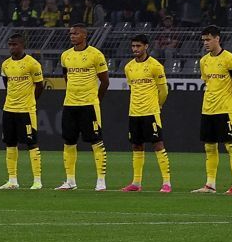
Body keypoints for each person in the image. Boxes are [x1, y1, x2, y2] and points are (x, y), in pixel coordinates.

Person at [57, 23, 109, 192]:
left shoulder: (95, 55)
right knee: (69, 141)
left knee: (96, 141)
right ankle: (70, 181)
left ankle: (101, 180)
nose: (72, 36)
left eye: (76, 33)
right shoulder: (65, 55)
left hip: (89, 104)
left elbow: (105, 81)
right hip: (70, 104)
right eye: (71, 33)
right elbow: (66, 76)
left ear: (84, 36)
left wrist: (96, 99)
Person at [194, 25, 232, 195]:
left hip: (225, 109)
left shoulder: (229, 59)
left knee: (231, 145)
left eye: (208, 39)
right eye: (204, 40)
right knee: (209, 147)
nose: (206, 43)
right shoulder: (204, 61)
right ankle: (210, 184)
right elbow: (207, 83)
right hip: (207, 109)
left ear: (217, 39)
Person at [121, 34, 172, 193]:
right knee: (136, 145)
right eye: (133, 46)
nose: (135, 49)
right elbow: (132, 88)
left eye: (138, 46)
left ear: (146, 47)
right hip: (134, 112)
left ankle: (166, 183)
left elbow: (163, 90)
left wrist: (158, 105)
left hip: (151, 111)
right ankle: (136, 183)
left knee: (157, 144)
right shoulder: (128, 67)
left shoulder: (155, 66)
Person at [0, 33, 44, 189]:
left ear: (22, 45)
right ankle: (12, 180)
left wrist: (30, 101)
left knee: (32, 143)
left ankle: (37, 180)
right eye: (10, 44)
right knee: (10, 143)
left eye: (15, 44)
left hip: (26, 110)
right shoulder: (5, 65)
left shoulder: (32, 64)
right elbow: (7, 83)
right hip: (9, 109)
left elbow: (40, 86)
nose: (12, 47)